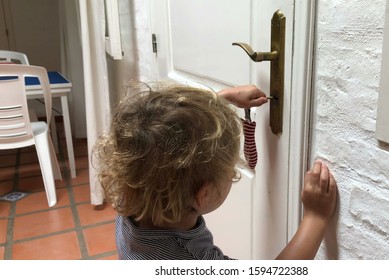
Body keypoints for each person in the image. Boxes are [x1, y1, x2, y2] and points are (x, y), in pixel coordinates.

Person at [93, 81, 337, 260]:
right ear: (205, 195)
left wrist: (222, 99)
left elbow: (167, 133)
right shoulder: (192, 259)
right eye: (230, 170)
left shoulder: (133, 191)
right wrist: (315, 217)